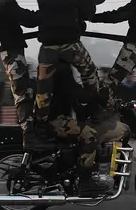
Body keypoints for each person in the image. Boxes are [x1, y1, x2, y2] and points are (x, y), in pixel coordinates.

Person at [34, 0, 102, 127]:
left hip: (47, 48)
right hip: (71, 45)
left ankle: (39, 124)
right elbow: (88, 14)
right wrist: (90, 0)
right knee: (90, 74)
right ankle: (93, 111)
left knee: (43, 88)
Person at [49, 61, 129, 197]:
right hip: (57, 120)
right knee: (90, 134)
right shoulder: (61, 68)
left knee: (90, 128)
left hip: (61, 117)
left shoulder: (62, 66)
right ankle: (85, 182)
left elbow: (76, 98)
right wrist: (98, 98)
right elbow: (74, 93)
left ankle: (91, 170)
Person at [0, 0, 41, 146]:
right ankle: (28, 136)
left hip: (14, 51)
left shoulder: (6, 2)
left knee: (29, 89)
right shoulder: (6, 3)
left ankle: (32, 129)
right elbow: (26, 19)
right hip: (13, 54)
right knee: (22, 93)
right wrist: (45, 15)